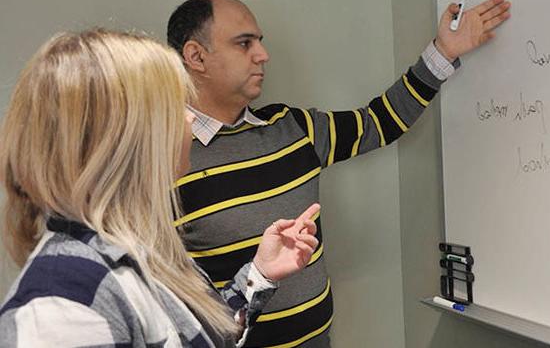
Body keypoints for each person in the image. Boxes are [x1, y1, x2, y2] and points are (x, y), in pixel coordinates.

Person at [166, 0, 511, 347]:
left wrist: (444, 52)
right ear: (196, 56)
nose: (262, 55)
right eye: (244, 43)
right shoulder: (164, 161)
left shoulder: (293, 127)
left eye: (260, 42)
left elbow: (380, 122)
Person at [0, 29, 320, 347]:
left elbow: (197, 336)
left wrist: (260, 274)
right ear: (125, 135)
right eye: (176, 105)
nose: (191, 120)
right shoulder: (64, 309)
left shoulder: (143, 247)